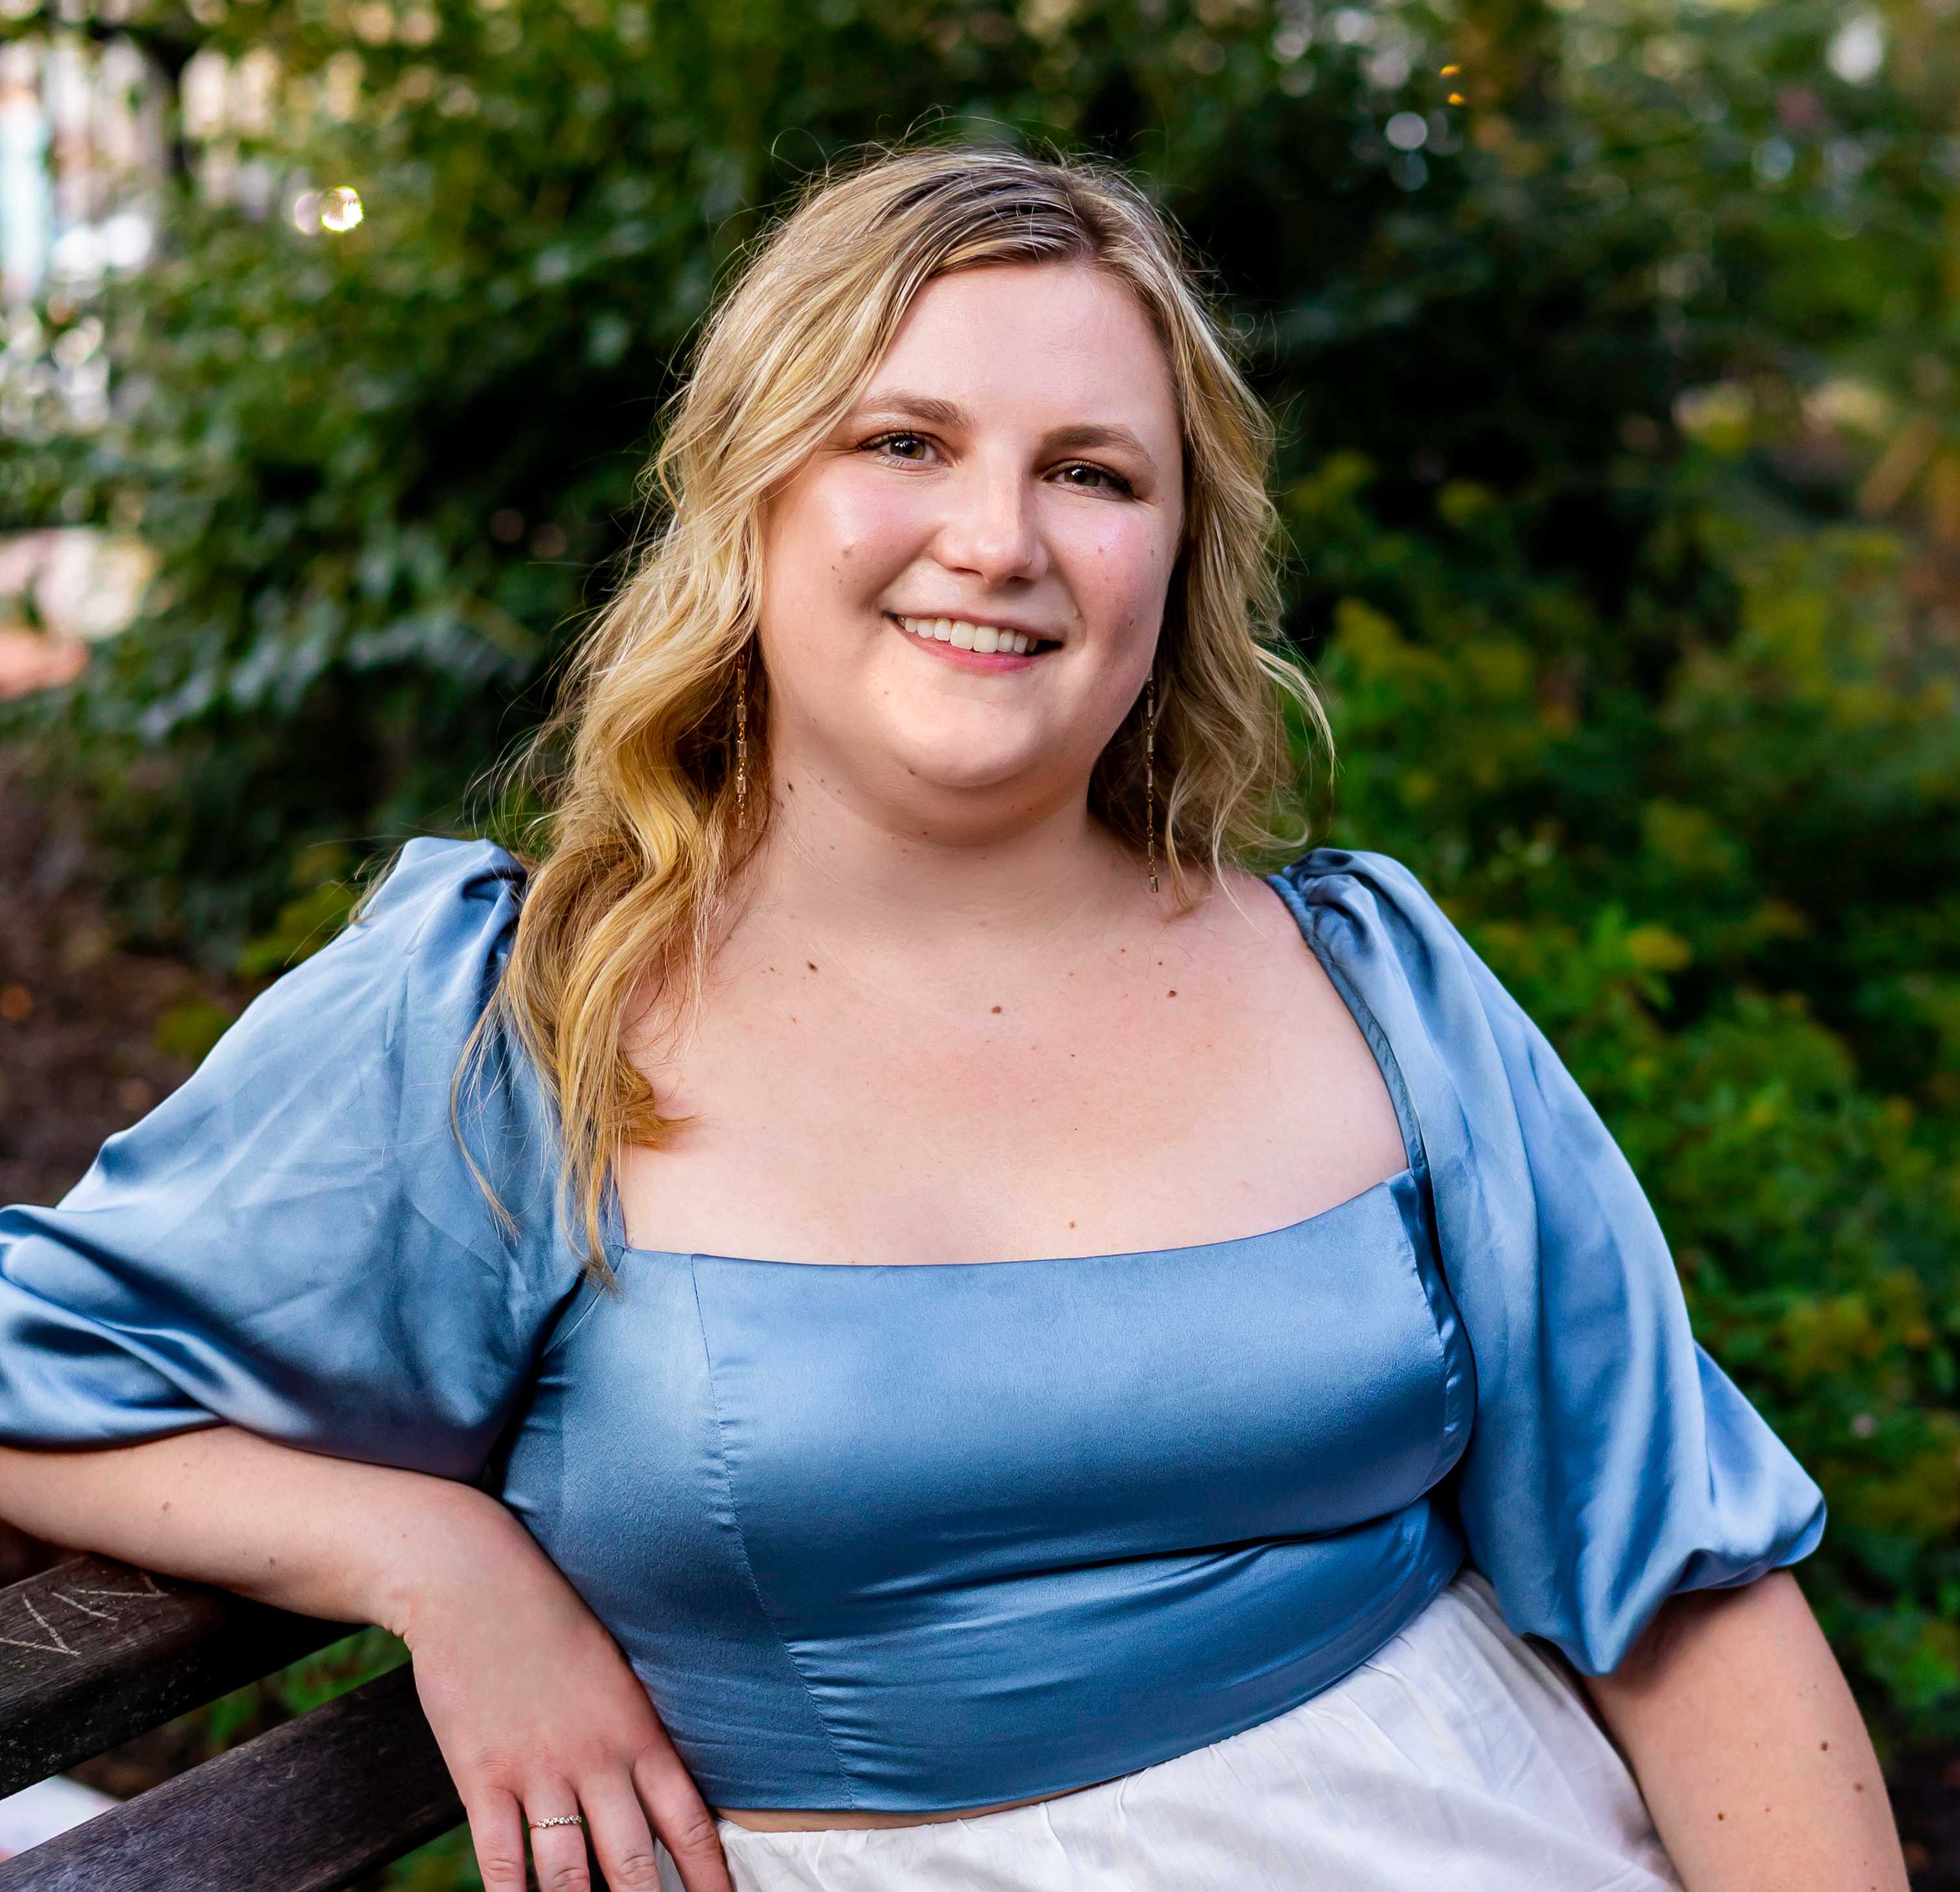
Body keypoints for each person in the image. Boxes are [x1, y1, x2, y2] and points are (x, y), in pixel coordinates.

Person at [0, 142, 1907, 1892]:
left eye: (1094, 471)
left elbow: (1689, 1592)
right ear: (752, 494)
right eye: (902, 442)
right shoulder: (516, 1018)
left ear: (1178, 552)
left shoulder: (1372, 985)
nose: (999, 539)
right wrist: (426, 1557)